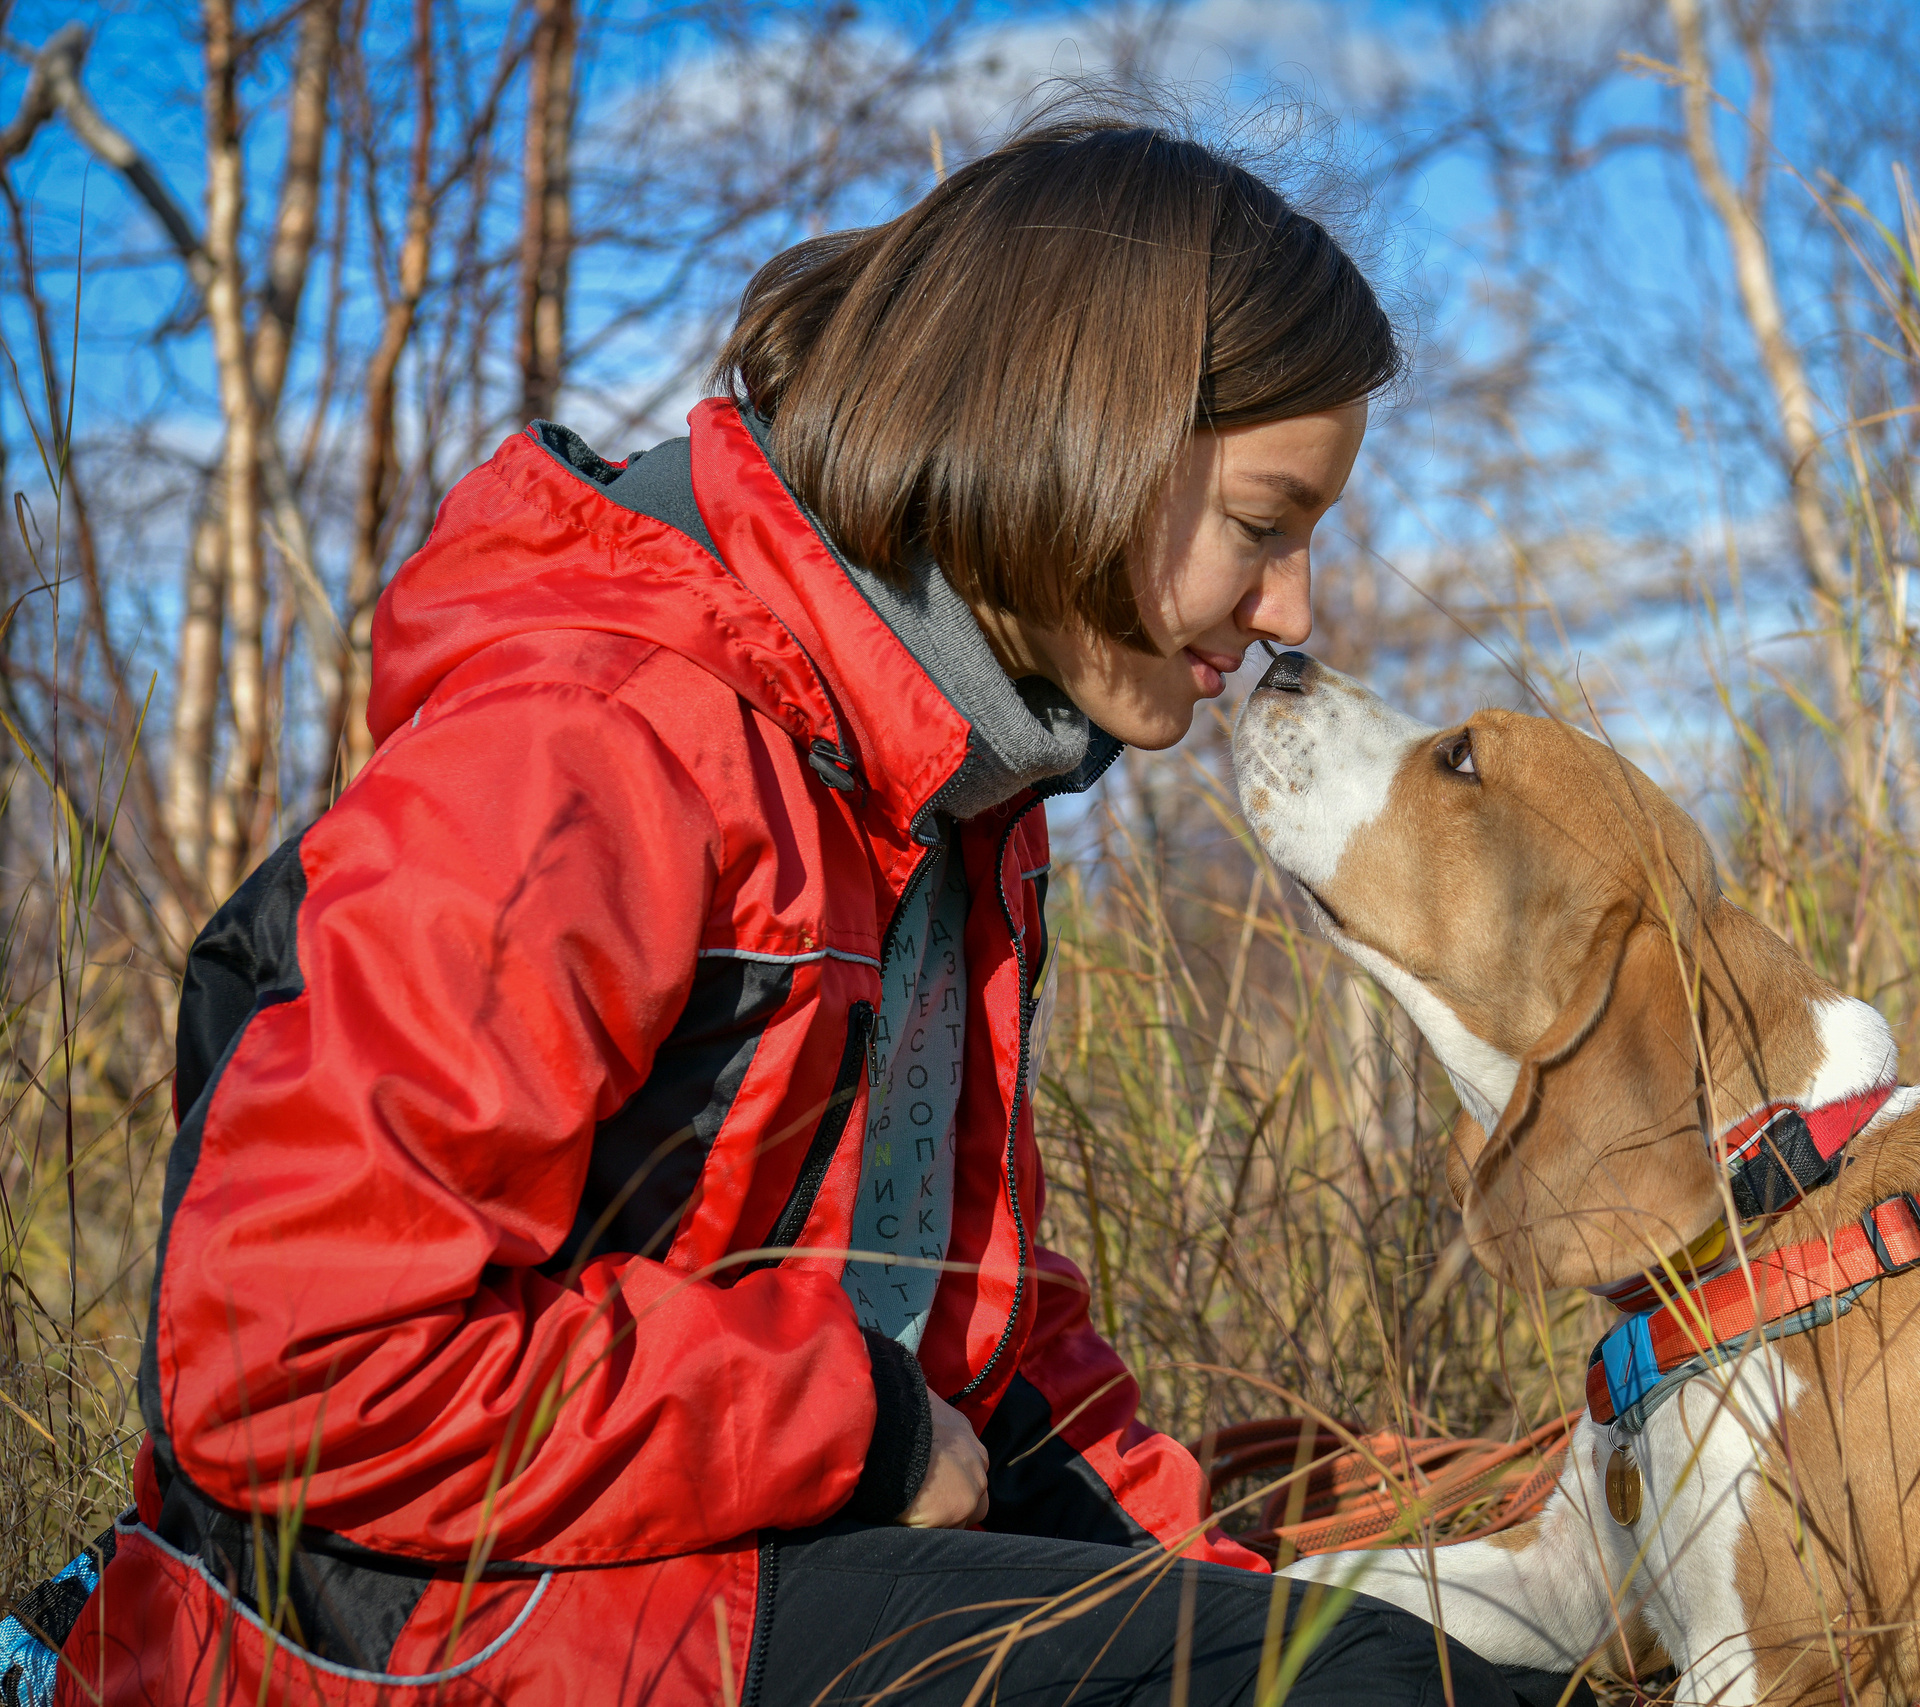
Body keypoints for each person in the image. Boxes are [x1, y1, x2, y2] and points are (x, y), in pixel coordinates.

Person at [38, 111, 1597, 1707]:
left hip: (704, 1554)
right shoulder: (594, 742)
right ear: (1079, 435)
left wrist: (1213, 1590)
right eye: (1266, 527)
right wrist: (855, 1424)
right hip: (407, 1631)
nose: (1291, 613)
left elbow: (977, 1332)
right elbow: (294, 1368)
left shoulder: (942, 792)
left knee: (1387, 1674)